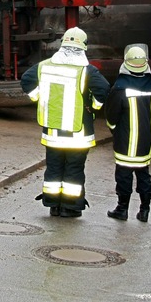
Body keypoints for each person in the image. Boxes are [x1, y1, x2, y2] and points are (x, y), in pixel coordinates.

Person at [20, 27, 110, 217]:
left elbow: (26, 79)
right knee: (74, 169)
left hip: (53, 132)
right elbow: (103, 89)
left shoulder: (45, 66)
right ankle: (70, 208)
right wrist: (93, 107)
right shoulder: (87, 71)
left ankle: (53, 205)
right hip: (78, 134)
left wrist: (39, 98)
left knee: (54, 167)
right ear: (83, 47)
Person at [105, 44, 151, 223]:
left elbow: (111, 116)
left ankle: (122, 209)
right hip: (146, 141)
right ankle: (144, 210)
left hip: (125, 141)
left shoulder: (120, 88)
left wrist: (114, 130)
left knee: (124, 175)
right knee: (143, 174)